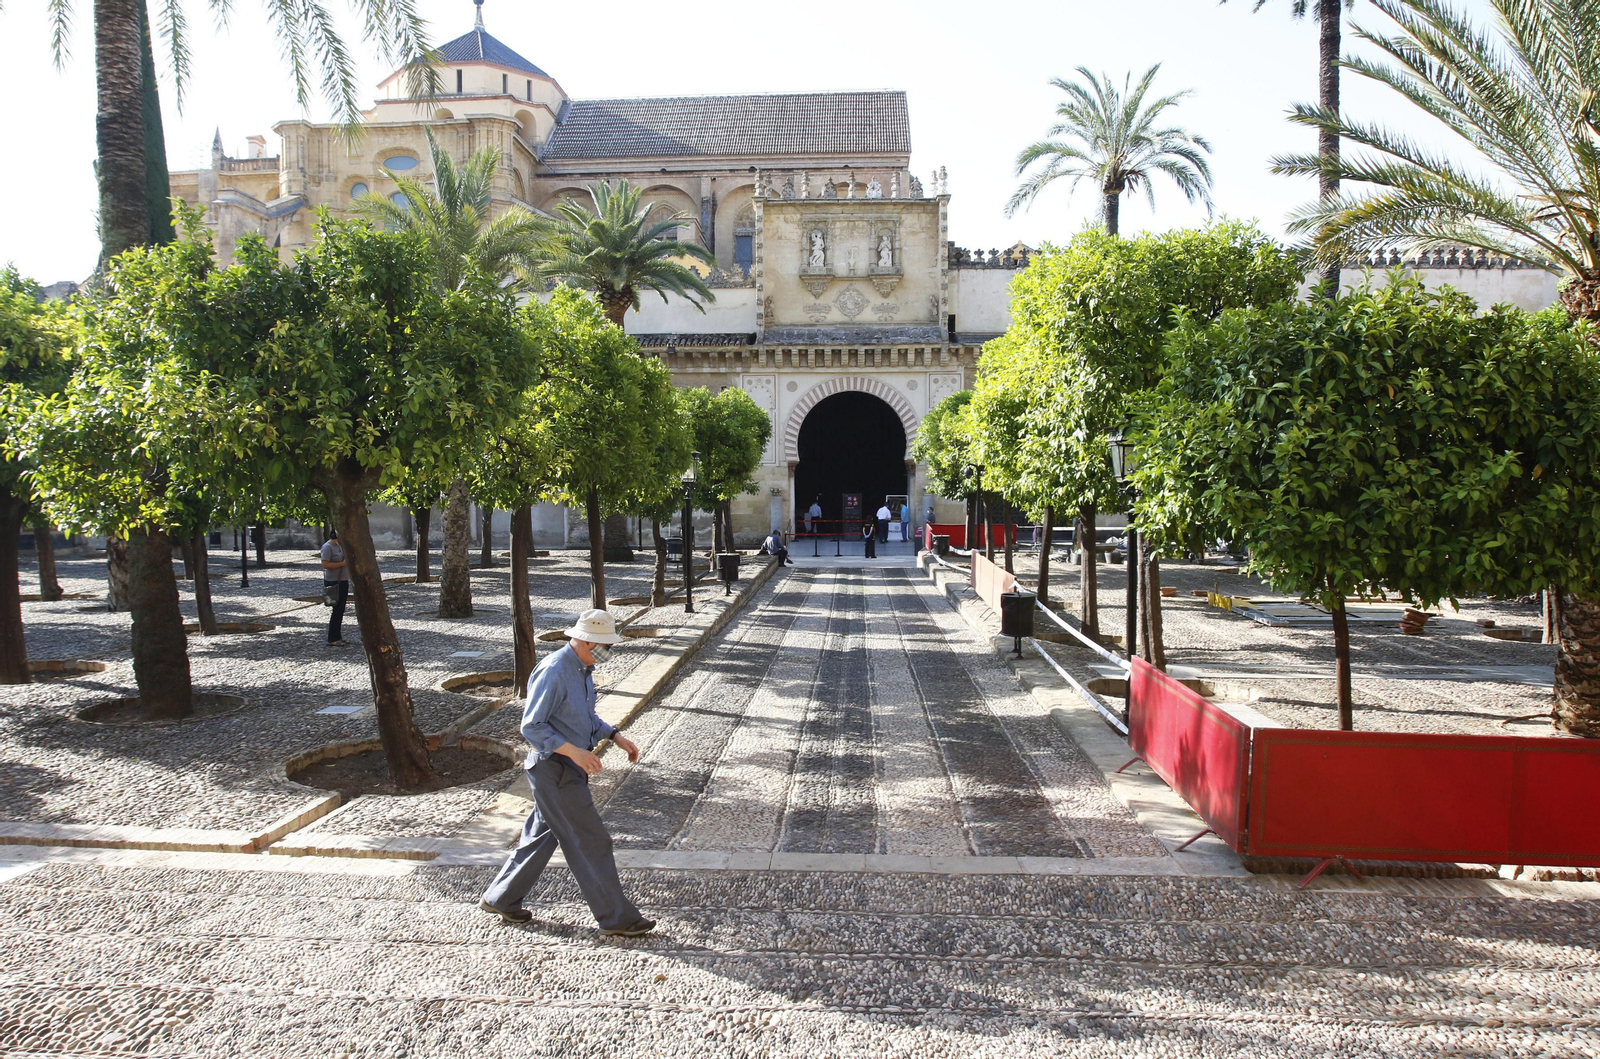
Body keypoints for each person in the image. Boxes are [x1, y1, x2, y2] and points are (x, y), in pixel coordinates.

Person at [481, 609, 654, 937]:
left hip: (561, 770)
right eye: (602, 645)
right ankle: (617, 918)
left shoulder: (581, 668)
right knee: (591, 840)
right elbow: (531, 726)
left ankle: (501, 898)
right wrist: (574, 751)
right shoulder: (555, 671)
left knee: (540, 837)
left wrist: (615, 736)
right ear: (586, 641)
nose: (606, 653)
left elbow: (583, 718)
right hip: (555, 770)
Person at [320, 530, 349, 646]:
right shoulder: (327, 547)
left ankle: (338, 636)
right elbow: (325, 564)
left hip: (343, 580)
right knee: (336, 610)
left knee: (340, 610)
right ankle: (332, 638)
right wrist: (342, 564)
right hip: (333, 581)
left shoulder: (339, 547)